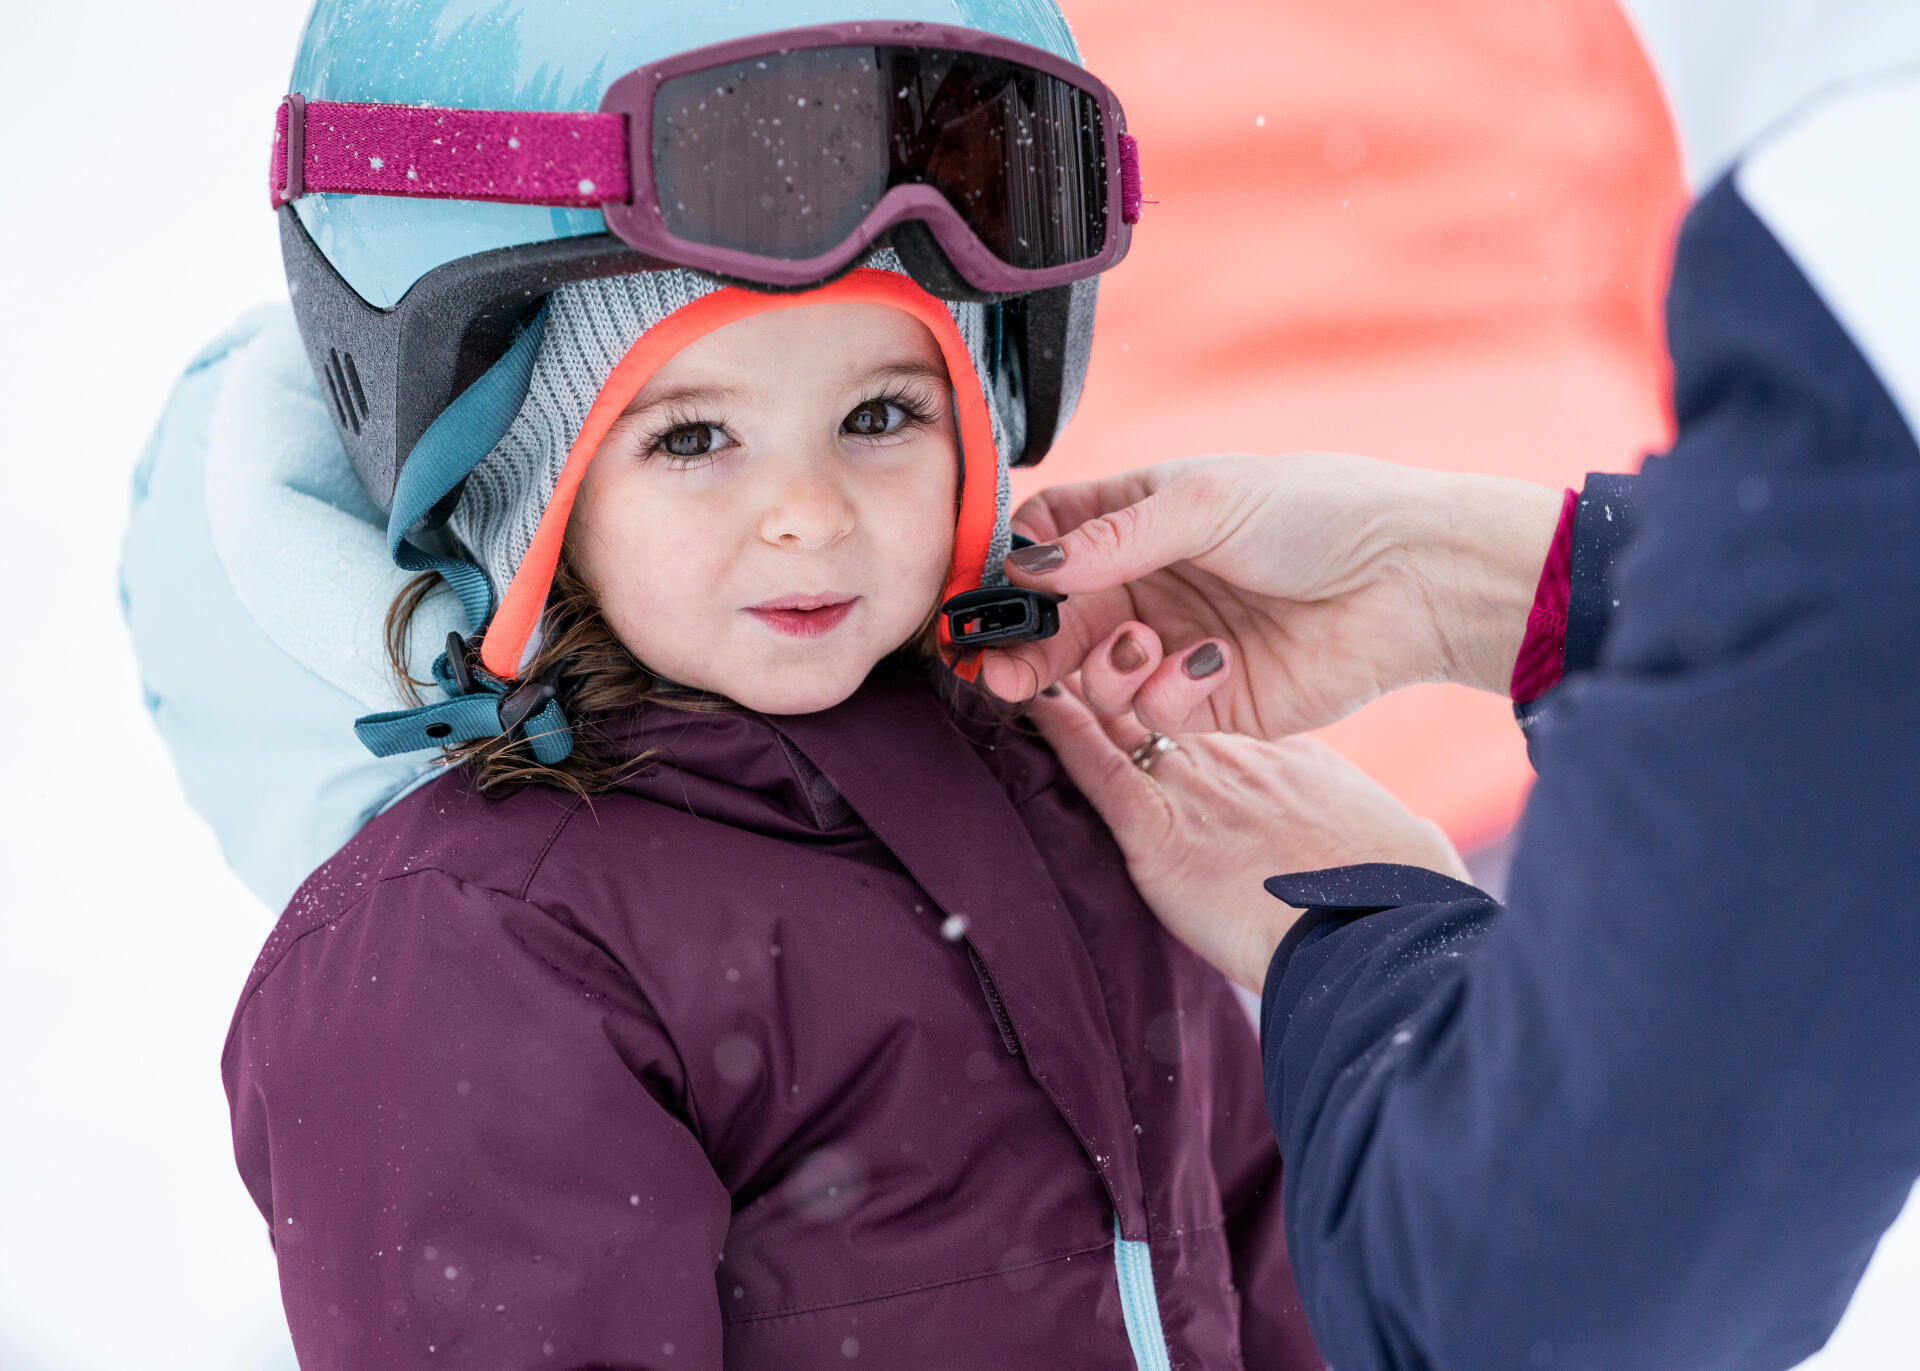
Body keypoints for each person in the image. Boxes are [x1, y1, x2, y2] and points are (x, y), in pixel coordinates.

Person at [189, 4, 1332, 1367]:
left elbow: (1266, 1253)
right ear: (522, 491)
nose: (807, 514)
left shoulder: (1065, 793)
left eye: (880, 417)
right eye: (695, 437)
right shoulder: (475, 945)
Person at [970, 16, 1920, 1367]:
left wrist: (1343, 911)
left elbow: (1556, 1294)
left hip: (1431, 868)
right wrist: (1497, 583)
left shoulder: (1857, 215)